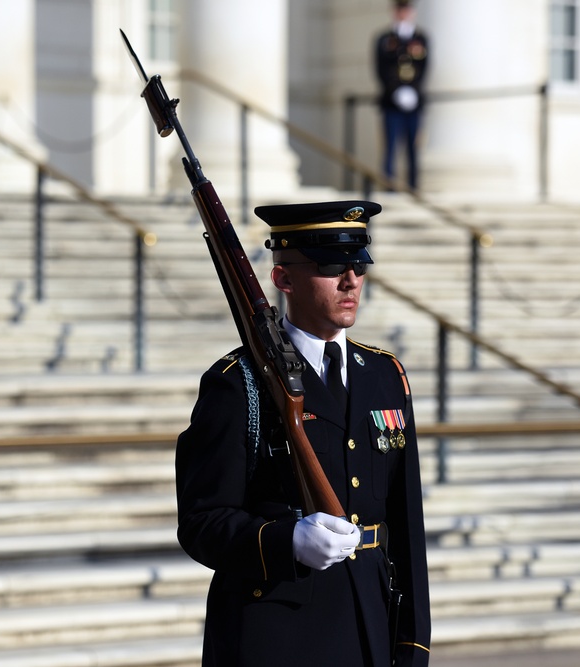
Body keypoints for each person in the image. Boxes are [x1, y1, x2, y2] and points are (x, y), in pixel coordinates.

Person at [176, 200, 431, 667]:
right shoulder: (239, 383)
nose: (351, 279)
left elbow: (406, 524)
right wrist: (287, 540)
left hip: (370, 626)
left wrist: (412, 644)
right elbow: (201, 524)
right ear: (282, 279)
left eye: (358, 265)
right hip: (277, 636)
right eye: (331, 266)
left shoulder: (384, 375)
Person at [375, 0, 429, 190]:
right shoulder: (384, 39)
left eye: (407, 9)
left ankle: (413, 186)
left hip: (414, 103)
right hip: (392, 101)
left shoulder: (421, 38)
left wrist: (413, 90)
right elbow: (380, 69)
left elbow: (424, 68)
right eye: (400, 9)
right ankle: (388, 186)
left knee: (413, 147)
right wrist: (396, 90)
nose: (403, 12)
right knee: (390, 146)